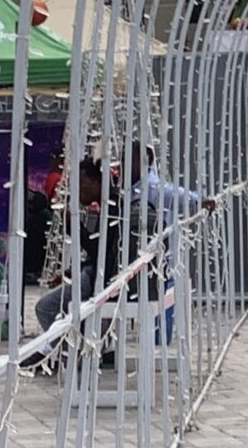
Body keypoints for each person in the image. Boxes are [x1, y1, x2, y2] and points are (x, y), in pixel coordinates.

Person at [22, 157, 159, 369]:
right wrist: (72, 270)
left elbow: (102, 254)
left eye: (83, 184)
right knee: (56, 305)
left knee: (46, 308)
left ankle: (63, 353)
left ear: (98, 182)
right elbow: (101, 254)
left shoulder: (114, 208)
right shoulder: (110, 206)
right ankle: (61, 350)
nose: (79, 191)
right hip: (98, 274)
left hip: (104, 280)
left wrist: (76, 229)